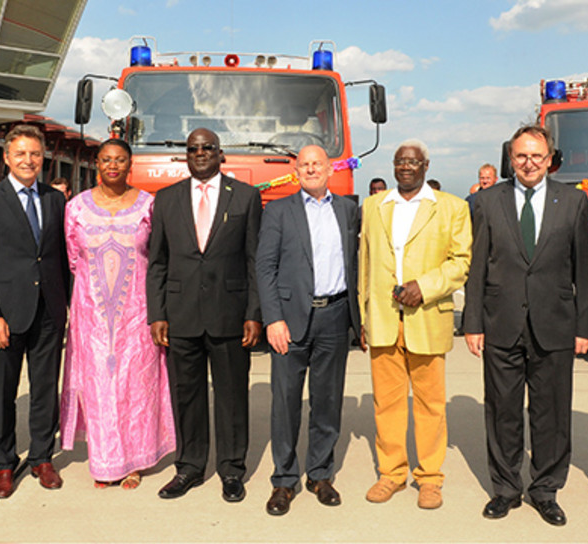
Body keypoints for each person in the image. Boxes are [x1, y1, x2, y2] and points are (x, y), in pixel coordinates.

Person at [463, 126, 588, 526]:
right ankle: (505, 488)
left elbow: (585, 269)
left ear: (550, 158)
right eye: (521, 156)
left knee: (551, 414)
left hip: (554, 324)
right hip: (501, 322)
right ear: (510, 159)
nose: (529, 163)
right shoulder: (485, 201)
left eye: (537, 156)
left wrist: (584, 326)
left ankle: (545, 489)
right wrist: (472, 322)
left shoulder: (573, 202)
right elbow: (477, 266)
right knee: (502, 411)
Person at [147, 128, 262, 503]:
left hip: (230, 315)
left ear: (219, 153)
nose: (200, 153)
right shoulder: (165, 199)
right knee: (186, 395)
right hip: (180, 316)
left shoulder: (245, 197)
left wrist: (253, 313)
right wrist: (157, 313)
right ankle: (190, 467)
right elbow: (158, 262)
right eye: (193, 148)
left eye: (207, 148)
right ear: (187, 155)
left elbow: (253, 260)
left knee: (231, 396)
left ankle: (231, 469)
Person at [359, 139, 471, 509]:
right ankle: (391, 473)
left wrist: (423, 288)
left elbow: (460, 263)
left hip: (426, 318)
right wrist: (364, 316)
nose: (406, 167)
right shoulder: (374, 206)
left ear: (425, 165)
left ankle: (429, 478)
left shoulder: (451, 207)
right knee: (386, 403)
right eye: (399, 161)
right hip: (384, 320)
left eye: (413, 161)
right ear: (393, 166)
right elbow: (366, 264)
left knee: (430, 404)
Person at [60, 139, 175, 489]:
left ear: (130, 165)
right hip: (91, 314)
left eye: (120, 160)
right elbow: (72, 258)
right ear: (97, 163)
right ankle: (105, 461)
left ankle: (135, 460)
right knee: (98, 386)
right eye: (107, 159)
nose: (113, 165)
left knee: (134, 384)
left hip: (137, 313)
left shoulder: (148, 206)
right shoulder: (77, 207)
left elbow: (158, 258)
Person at [256, 145, 361, 516]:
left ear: (330, 169)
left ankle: (320, 474)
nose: (311, 169)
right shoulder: (279, 211)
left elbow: (356, 264)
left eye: (317, 164)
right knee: (285, 403)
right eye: (304, 165)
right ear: (296, 170)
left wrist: (357, 319)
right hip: (290, 319)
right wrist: (273, 319)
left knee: (327, 402)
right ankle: (284, 480)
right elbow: (264, 267)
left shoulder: (348, 209)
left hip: (334, 316)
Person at [0, 125, 69, 499]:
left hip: (48, 312)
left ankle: (42, 457)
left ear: (44, 159)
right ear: (7, 158)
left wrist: (69, 306)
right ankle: (4, 463)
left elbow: (61, 258)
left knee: (45, 390)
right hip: (5, 316)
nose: (29, 161)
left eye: (36, 154)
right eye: (21, 154)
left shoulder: (54, 200)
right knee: (2, 393)